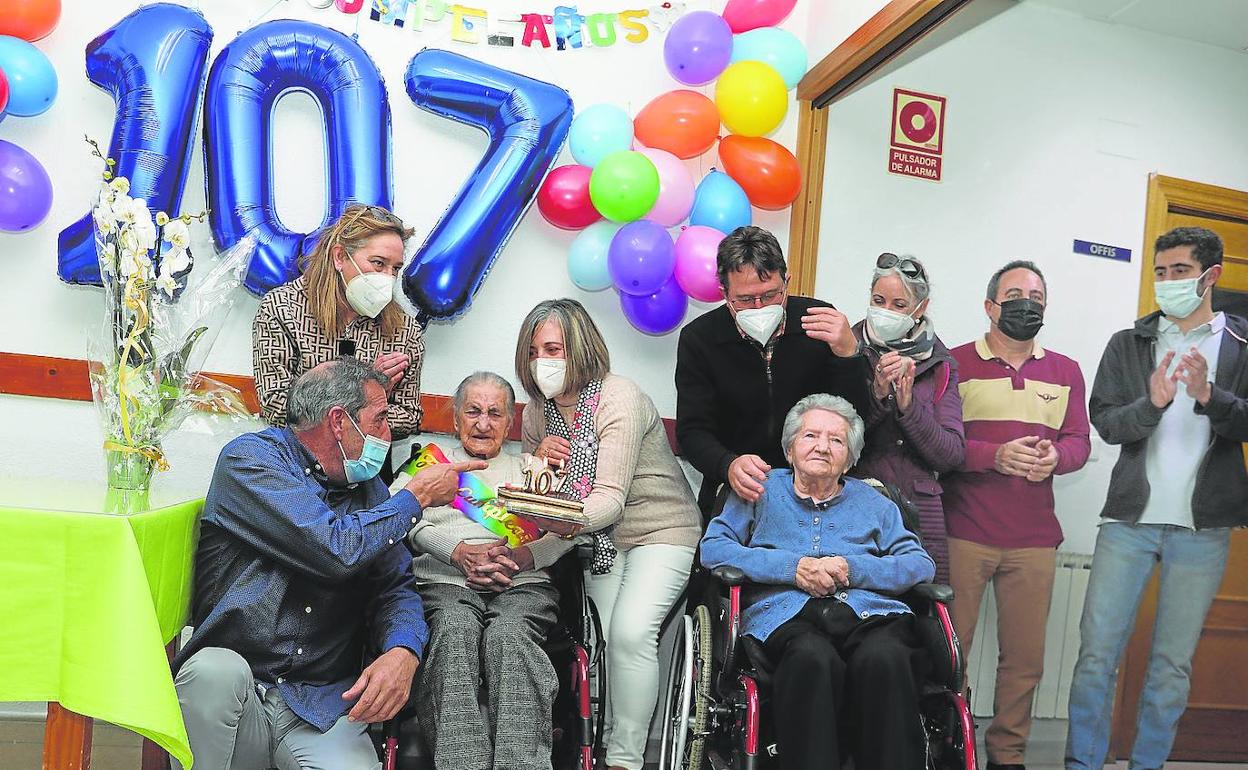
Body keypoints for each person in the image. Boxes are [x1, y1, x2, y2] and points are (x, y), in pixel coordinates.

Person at [171, 357, 485, 770]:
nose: (387, 434)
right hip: (240, 690)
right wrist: (415, 498)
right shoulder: (251, 462)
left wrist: (403, 650)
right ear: (339, 422)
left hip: (319, 705)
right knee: (212, 672)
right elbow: (332, 549)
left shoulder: (369, 491)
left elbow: (395, 588)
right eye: (380, 419)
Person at [1065, 227, 1248, 770]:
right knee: (1096, 656)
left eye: (1180, 271)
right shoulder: (1129, 343)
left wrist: (1212, 397)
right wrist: (1153, 402)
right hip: (1128, 523)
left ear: (1210, 276)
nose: (1167, 282)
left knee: (1171, 665)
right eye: (1160, 271)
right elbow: (1106, 422)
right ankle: (1083, 764)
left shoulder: (1240, 346)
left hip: (1204, 531)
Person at [701, 394, 935, 770]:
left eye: (837, 440)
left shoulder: (876, 502)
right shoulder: (758, 490)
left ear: (851, 457)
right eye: (810, 436)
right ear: (790, 448)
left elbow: (918, 564)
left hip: (870, 614)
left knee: (886, 658)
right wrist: (792, 568)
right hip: (785, 617)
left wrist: (853, 568)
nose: (823, 447)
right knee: (811, 658)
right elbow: (714, 549)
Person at [516, 299, 702, 770]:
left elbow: (607, 501)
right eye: (534, 352)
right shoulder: (537, 415)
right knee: (597, 646)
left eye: (554, 349)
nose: (544, 363)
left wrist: (559, 520)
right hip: (596, 542)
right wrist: (525, 555)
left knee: (629, 633)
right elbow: (548, 511)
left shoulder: (619, 397)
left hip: (662, 528)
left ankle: (625, 760)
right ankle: (591, 751)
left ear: (579, 349)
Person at [942, 260, 1091, 770]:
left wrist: (1057, 458)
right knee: (949, 654)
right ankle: (949, 748)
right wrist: (994, 456)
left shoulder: (1066, 370)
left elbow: (1078, 442)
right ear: (990, 306)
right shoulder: (955, 363)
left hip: (1034, 539)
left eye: (1036, 295)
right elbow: (939, 445)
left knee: (1024, 663)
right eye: (1015, 293)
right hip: (964, 532)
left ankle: (1008, 756)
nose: (1027, 302)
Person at [407, 371, 566, 770]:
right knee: (454, 630)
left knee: (509, 637)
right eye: (473, 411)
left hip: (521, 583)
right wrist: (456, 552)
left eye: (495, 414)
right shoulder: (428, 466)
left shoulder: (532, 468)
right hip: (444, 580)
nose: (483, 423)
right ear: (456, 418)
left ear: (510, 422)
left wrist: (524, 557)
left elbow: (569, 532)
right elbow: (399, 521)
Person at [676, 225, 871, 516]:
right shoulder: (701, 339)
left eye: (770, 296)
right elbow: (692, 431)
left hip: (818, 489)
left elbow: (854, 418)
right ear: (724, 293)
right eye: (744, 300)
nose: (757, 308)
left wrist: (848, 354)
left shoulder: (819, 322)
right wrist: (727, 465)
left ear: (787, 282)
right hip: (740, 490)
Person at [253, 204, 424, 471]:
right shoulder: (282, 309)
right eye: (378, 263)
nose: (387, 278)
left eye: (395, 269)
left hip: (369, 475)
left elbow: (411, 417)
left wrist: (356, 412)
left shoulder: (405, 331)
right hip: (297, 470)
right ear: (340, 257)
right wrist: (368, 391)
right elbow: (276, 405)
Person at [852, 253, 965, 582]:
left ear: (921, 307)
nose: (885, 311)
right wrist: (877, 394)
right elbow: (833, 439)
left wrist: (908, 405)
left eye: (899, 304)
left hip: (919, 512)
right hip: (855, 502)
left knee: (921, 620)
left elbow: (951, 455)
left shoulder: (941, 364)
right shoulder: (849, 348)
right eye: (878, 300)